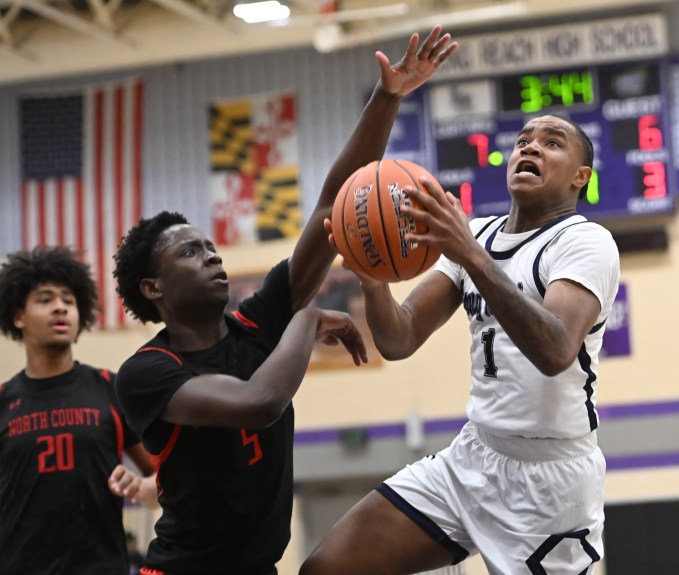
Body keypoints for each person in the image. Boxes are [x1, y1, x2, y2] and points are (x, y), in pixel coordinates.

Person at [111, 26, 456, 575]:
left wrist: (387, 98)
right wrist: (310, 315)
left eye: (211, 246)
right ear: (153, 287)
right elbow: (258, 402)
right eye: (189, 253)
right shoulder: (148, 372)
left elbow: (331, 206)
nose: (212, 256)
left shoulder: (256, 321)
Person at [304, 113, 621, 574]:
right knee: (327, 568)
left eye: (552, 143)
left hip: (550, 483)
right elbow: (400, 337)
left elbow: (555, 350)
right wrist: (372, 283)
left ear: (581, 177)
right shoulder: (477, 234)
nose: (530, 148)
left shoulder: (586, 243)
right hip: (473, 458)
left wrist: (468, 254)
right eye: (523, 140)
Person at [0, 246, 158, 574]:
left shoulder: (110, 389)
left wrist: (144, 488)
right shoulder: (3, 401)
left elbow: (167, 477)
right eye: (45, 300)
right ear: (18, 316)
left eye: (68, 301)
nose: (60, 308)